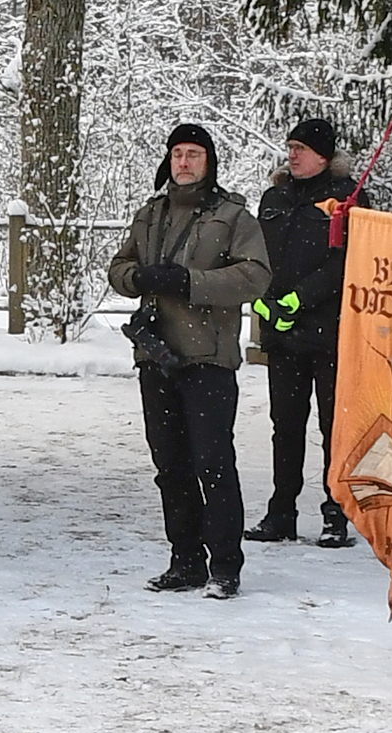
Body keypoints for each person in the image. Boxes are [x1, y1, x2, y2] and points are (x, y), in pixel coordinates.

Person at [106, 123, 271, 599]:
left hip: (207, 356)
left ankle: (225, 566)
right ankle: (185, 560)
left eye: (194, 154)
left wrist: (191, 283)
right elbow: (118, 267)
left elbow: (255, 276)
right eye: (177, 153)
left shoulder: (233, 216)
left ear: (209, 161)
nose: (184, 163)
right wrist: (138, 278)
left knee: (214, 463)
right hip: (156, 354)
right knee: (170, 464)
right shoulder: (150, 214)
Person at [245, 118, 363, 549]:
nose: (293, 154)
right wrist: (264, 299)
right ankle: (281, 512)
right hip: (281, 334)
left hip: (330, 334)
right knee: (285, 425)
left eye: (302, 148)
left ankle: (336, 514)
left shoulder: (348, 197)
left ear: (324, 157)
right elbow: (256, 253)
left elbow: (348, 261)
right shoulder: (273, 198)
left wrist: (301, 298)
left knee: (334, 427)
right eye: (290, 146)